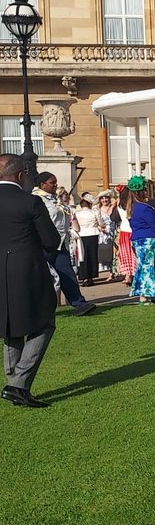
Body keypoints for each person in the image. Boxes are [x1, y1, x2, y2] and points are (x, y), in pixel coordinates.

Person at [0, 153, 60, 407]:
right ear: (21, 175)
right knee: (44, 322)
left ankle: (15, 384)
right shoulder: (30, 202)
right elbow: (51, 240)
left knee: (10, 327)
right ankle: (17, 384)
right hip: (26, 269)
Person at [35, 171, 95, 316]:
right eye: (52, 183)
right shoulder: (36, 199)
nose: (55, 185)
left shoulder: (54, 199)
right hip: (43, 244)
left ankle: (79, 303)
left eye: (56, 182)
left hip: (59, 242)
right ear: (42, 184)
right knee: (43, 277)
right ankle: (39, 307)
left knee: (67, 273)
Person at [127, 176, 155, 304]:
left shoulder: (132, 207)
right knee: (148, 267)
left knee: (142, 267)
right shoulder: (145, 208)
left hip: (137, 240)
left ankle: (147, 294)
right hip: (148, 240)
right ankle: (146, 294)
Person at [75, 194, 101, 286]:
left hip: (81, 235)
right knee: (92, 255)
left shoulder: (77, 213)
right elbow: (101, 223)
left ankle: (84, 276)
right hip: (93, 234)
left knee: (83, 256)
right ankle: (90, 276)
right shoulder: (94, 212)